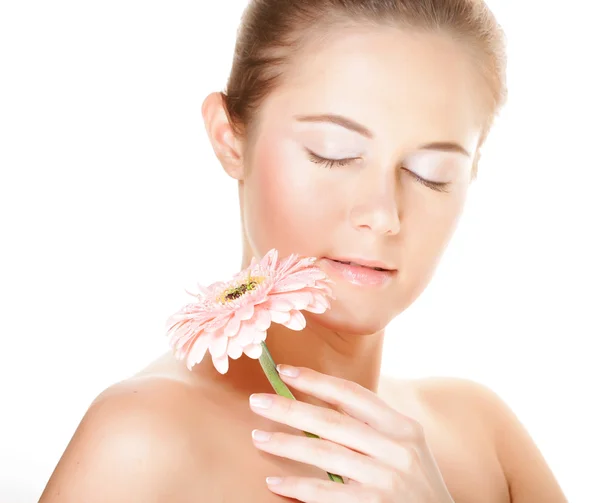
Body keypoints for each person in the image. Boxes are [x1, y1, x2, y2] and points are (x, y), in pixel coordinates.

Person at [39, 0, 568, 501]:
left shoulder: (485, 435)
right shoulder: (141, 444)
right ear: (229, 139)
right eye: (332, 154)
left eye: (433, 174)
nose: (383, 214)